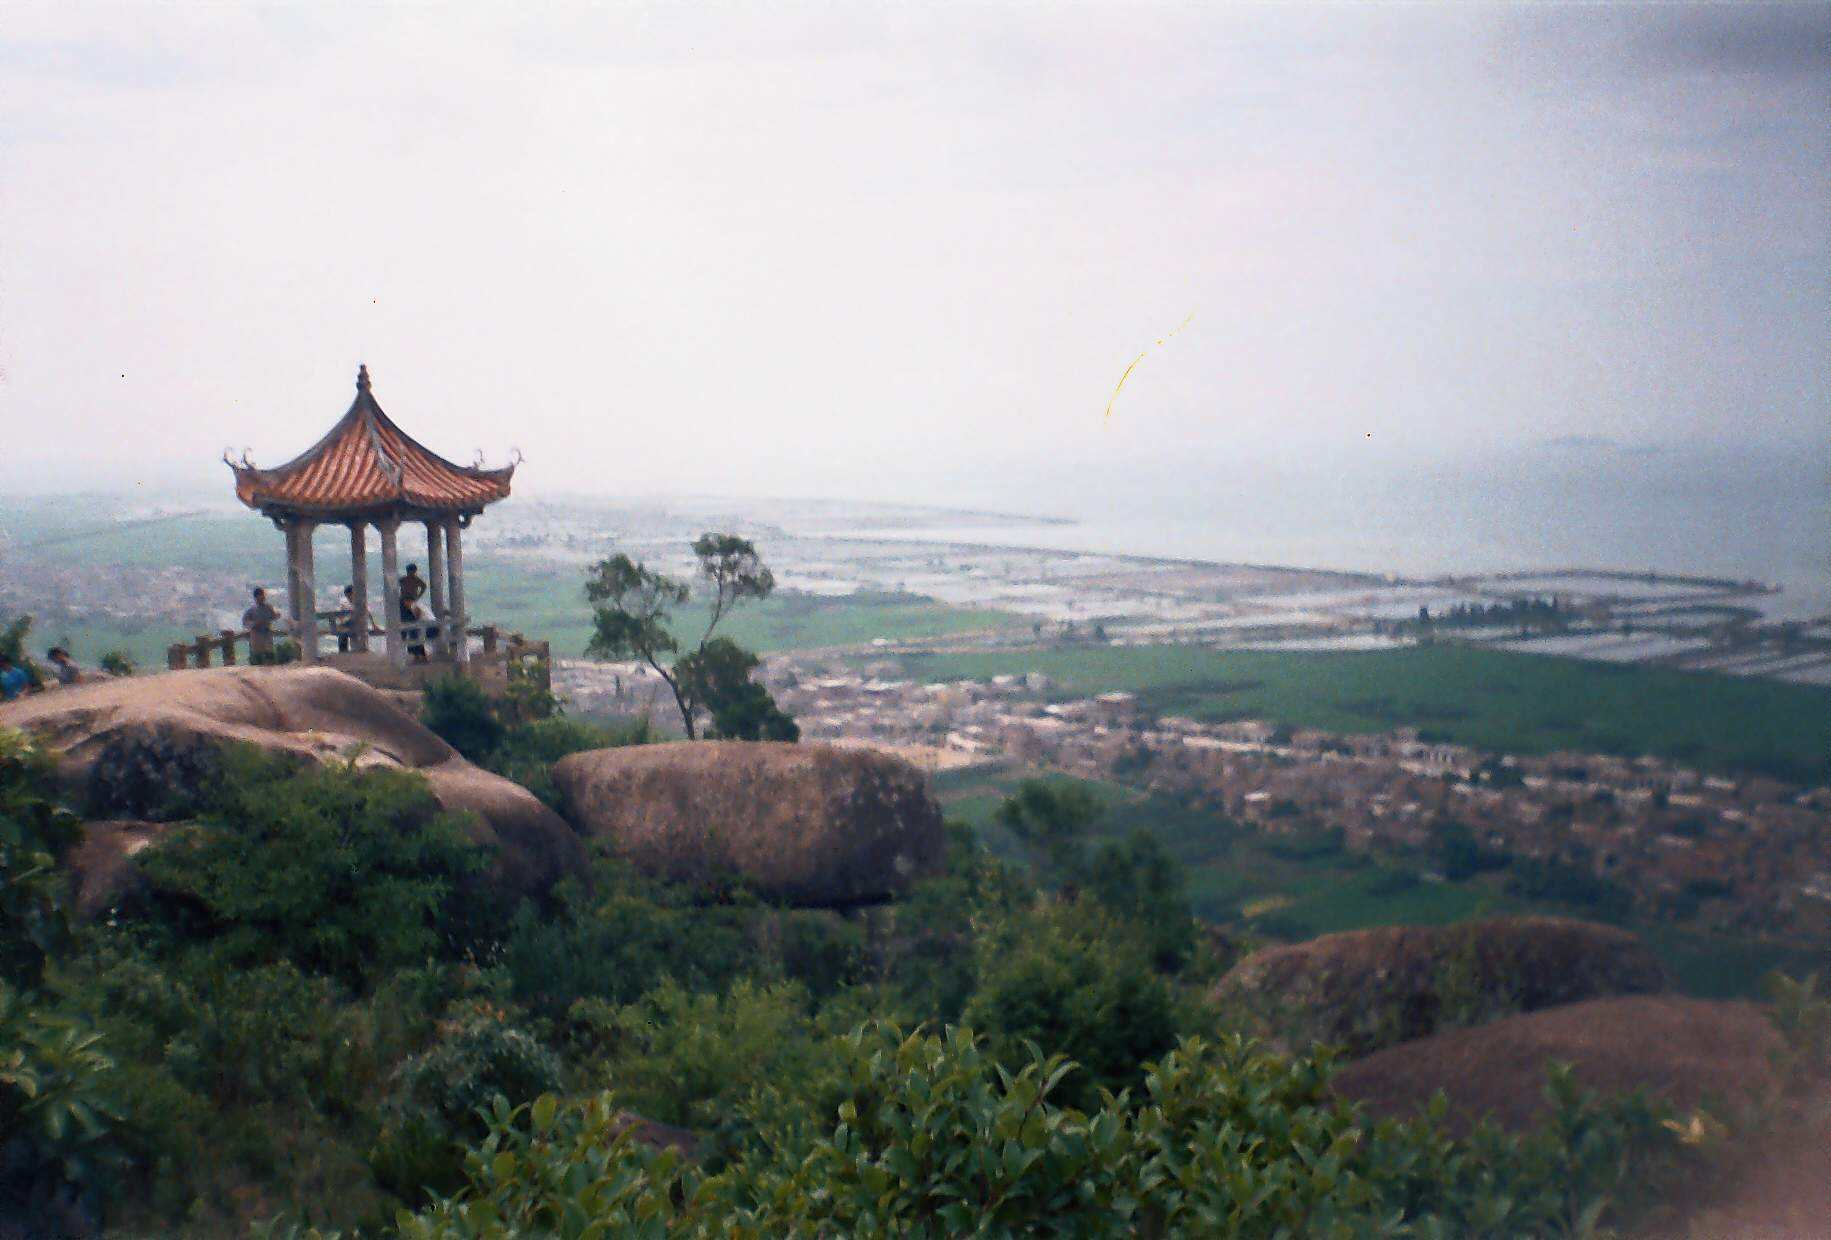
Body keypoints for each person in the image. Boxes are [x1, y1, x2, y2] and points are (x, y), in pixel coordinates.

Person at [243, 587, 280, 661]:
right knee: (258, 656)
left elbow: (274, 616)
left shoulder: (268, 607)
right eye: (260, 596)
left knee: (269, 655)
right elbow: (245, 622)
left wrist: (276, 615)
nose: (263, 597)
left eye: (263, 595)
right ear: (256, 597)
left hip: (267, 633)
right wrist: (254, 623)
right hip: (256, 635)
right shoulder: (251, 610)